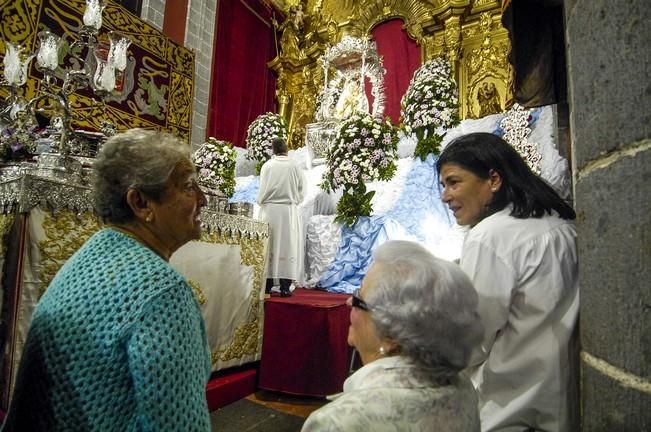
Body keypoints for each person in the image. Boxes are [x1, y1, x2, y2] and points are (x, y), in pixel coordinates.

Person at [1, 129, 211, 431]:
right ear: (141, 203)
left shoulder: (93, 253)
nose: (203, 199)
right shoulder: (162, 293)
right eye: (189, 186)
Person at [436, 132, 579, 431]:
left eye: (453, 182)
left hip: (510, 409)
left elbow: (473, 338)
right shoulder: (560, 222)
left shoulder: (490, 236)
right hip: (563, 399)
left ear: (494, 180)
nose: (445, 196)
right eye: (443, 185)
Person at [301, 240, 484, 431]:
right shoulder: (463, 388)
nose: (348, 302)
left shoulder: (339, 421)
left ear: (391, 336)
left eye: (358, 298)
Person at [257, 137, 306, 297]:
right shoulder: (295, 166)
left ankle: (267, 285)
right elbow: (302, 189)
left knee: (269, 245)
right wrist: (294, 200)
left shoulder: (267, 166)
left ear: (273, 150)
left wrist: (261, 201)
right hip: (287, 211)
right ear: (286, 149)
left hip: (270, 210)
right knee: (287, 246)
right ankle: (285, 286)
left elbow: (263, 189)